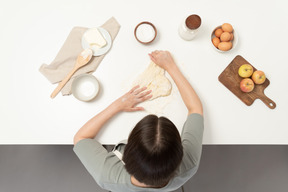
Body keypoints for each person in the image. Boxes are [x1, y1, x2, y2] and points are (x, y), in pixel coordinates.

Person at [73, 50, 204, 192]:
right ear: (180, 155)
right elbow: (195, 109)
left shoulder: (107, 176)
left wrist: (118, 105)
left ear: (127, 155)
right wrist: (171, 66)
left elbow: (81, 137)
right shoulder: (189, 165)